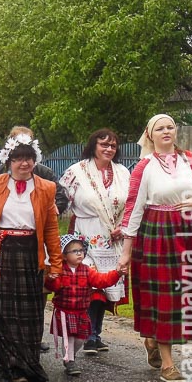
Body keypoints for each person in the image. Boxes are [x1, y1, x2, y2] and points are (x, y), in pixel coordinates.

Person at [117, 114, 192, 382]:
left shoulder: (190, 160)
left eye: (170, 126)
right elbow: (133, 209)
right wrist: (126, 251)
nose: (166, 131)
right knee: (162, 297)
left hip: (185, 234)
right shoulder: (144, 166)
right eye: (160, 128)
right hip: (155, 234)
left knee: (183, 294)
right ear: (150, 135)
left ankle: (152, 339)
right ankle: (168, 364)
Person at [0, 132, 62, 382]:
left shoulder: (46, 188)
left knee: (31, 312)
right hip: (1, 252)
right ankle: (9, 363)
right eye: (18, 159)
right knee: (3, 310)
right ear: (8, 160)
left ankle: (28, 363)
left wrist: (56, 264)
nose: (24, 163)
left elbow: (50, 227)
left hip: (30, 253)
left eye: (29, 158)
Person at [59, 129, 131, 354]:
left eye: (113, 145)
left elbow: (131, 204)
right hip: (85, 233)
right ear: (93, 146)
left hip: (113, 237)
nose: (109, 149)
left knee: (104, 285)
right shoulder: (76, 172)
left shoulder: (122, 172)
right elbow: (61, 199)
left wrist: (125, 226)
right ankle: (87, 334)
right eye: (104, 144)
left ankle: (95, 334)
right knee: (88, 283)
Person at [45, 235, 122, 376]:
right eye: (74, 251)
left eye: (81, 250)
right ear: (64, 255)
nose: (79, 253)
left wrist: (116, 274)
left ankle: (70, 356)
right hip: (64, 311)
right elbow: (54, 287)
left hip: (81, 311)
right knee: (69, 337)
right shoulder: (60, 270)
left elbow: (101, 281)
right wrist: (51, 279)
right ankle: (69, 361)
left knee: (80, 339)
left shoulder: (87, 270)